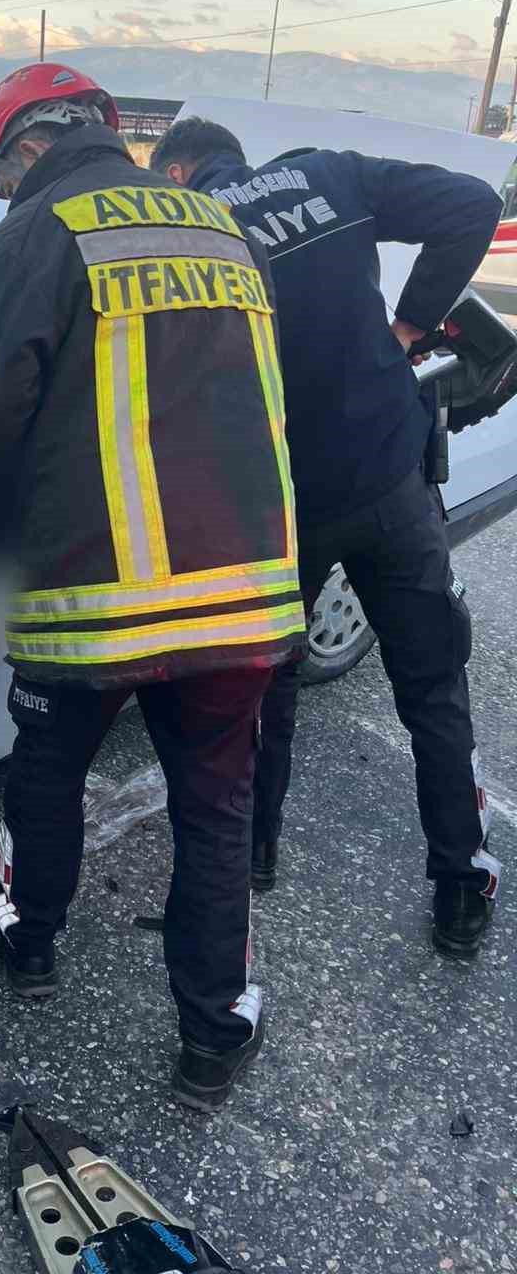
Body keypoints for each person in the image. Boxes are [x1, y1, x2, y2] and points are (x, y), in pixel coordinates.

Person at [0, 63, 306, 1113]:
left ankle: (31, 939)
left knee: (48, 770)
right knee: (215, 809)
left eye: (2, 174)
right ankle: (212, 1032)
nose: (7, 192)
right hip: (242, 594)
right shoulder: (226, 228)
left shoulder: (34, 234)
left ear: (24, 147)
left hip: (91, 599)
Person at [149, 116, 502, 958]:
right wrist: (410, 327)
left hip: (281, 505)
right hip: (388, 480)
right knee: (433, 687)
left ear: (178, 172)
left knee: (265, 691)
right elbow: (473, 204)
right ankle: (460, 883)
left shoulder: (190, 228)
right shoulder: (329, 175)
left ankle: (256, 853)